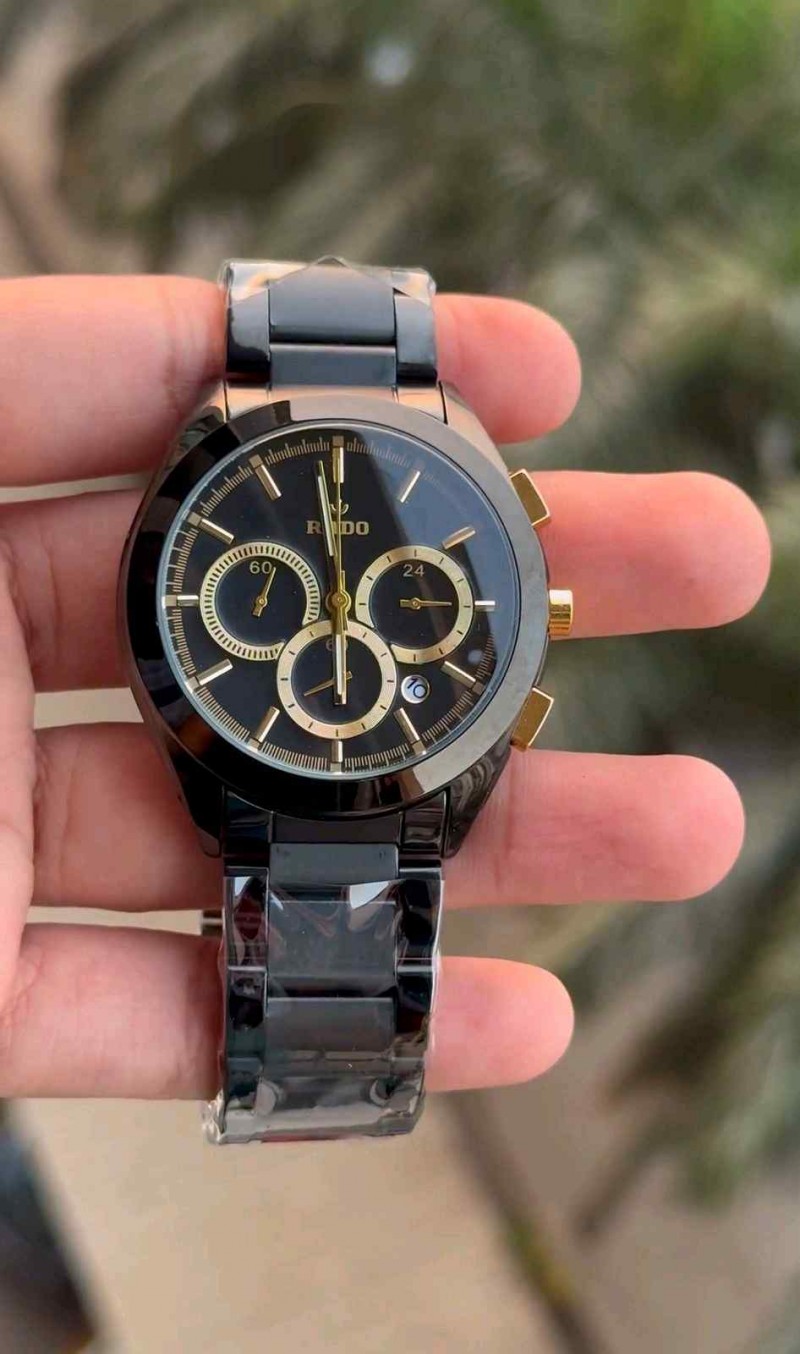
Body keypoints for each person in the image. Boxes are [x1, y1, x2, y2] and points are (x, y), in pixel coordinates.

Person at [0, 275, 770, 1102]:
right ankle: (313, 1075)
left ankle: (314, 1074)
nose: (338, 608)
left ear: (542, 614)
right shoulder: (378, 439)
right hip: (286, 773)